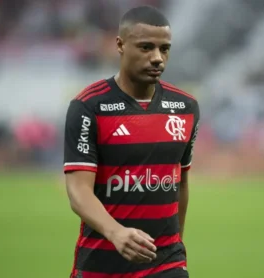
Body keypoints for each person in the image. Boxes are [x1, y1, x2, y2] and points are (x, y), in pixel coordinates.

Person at [63, 5, 200, 278]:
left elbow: (180, 182)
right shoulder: (90, 106)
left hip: (166, 262)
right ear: (120, 45)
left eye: (165, 49)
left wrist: (176, 246)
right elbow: (78, 192)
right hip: (101, 264)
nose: (158, 58)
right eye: (146, 47)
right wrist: (116, 233)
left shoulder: (185, 108)